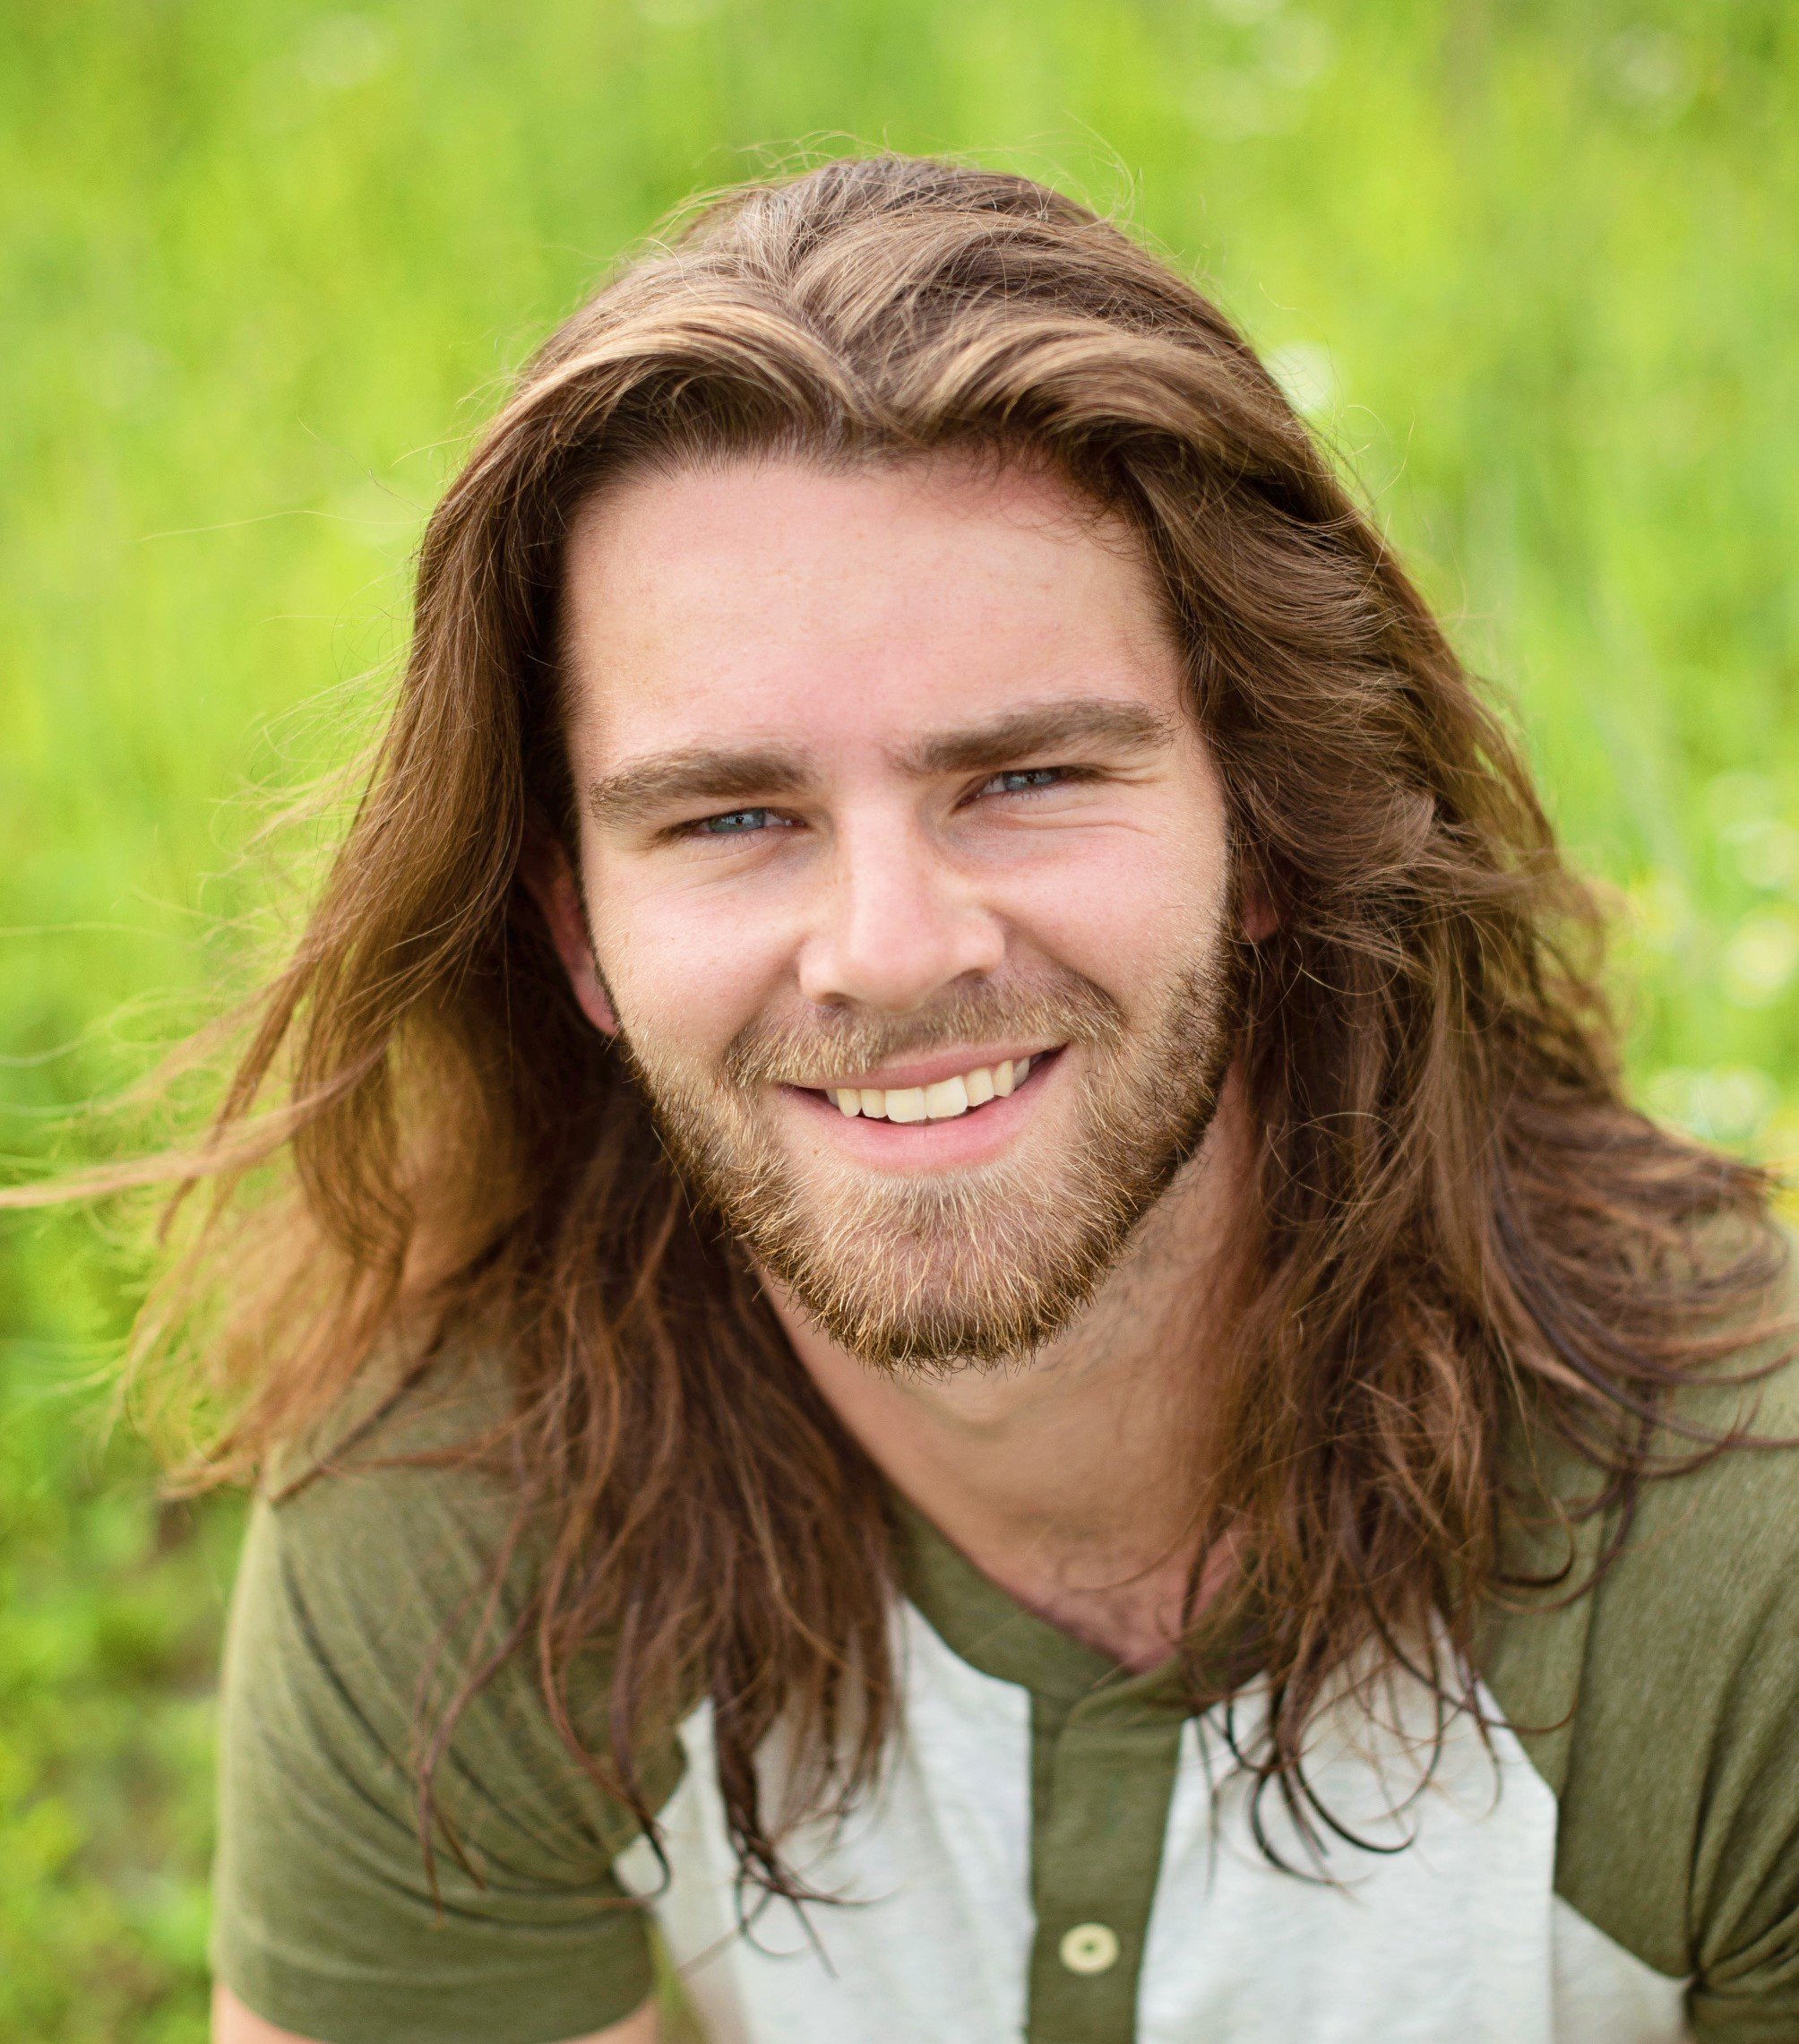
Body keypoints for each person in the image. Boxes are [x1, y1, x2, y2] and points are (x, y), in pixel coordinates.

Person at [116, 157, 1799, 2042]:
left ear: (1267, 828)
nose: (890, 948)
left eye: (1019, 777)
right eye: (734, 816)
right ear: (577, 932)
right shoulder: (466, 1497)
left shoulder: (1745, 1563)